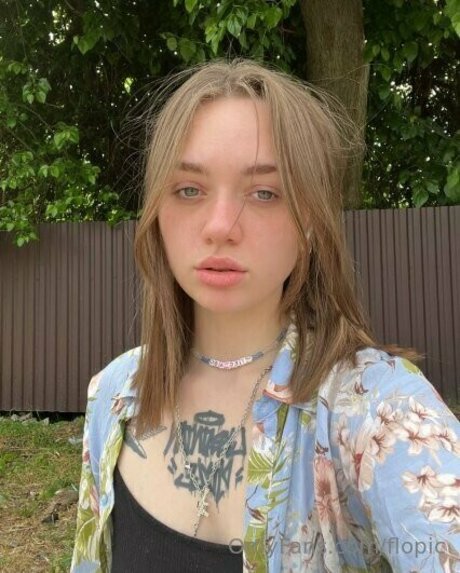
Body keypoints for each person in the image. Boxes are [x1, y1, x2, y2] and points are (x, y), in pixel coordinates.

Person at [70, 59, 460, 573]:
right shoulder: (115, 397)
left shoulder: (378, 411)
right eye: (189, 189)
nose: (220, 226)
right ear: (156, 213)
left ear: (312, 223)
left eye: (264, 193)